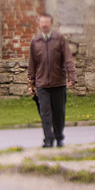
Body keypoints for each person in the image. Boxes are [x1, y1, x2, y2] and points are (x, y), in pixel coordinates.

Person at [27, 13, 77, 147]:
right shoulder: (35, 41)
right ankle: (48, 139)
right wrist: (31, 84)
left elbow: (68, 59)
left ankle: (59, 137)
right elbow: (32, 64)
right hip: (42, 84)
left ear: (51, 23)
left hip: (58, 82)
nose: (44, 25)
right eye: (42, 22)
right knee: (45, 113)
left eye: (46, 22)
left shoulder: (59, 39)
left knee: (59, 113)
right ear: (38, 24)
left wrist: (72, 76)